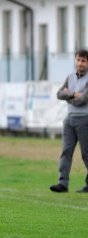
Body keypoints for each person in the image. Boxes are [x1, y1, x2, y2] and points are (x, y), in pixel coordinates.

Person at [50, 49, 88, 193]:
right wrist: (73, 94)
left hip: (85, 119)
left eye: (83, 61)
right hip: (69, 120)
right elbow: (59, 94)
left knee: (86, 153)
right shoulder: (70, 76)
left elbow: (83, 100)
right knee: (66, 151)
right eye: (78, 60)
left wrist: (68, 95)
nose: (80, 63)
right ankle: (62, 183)